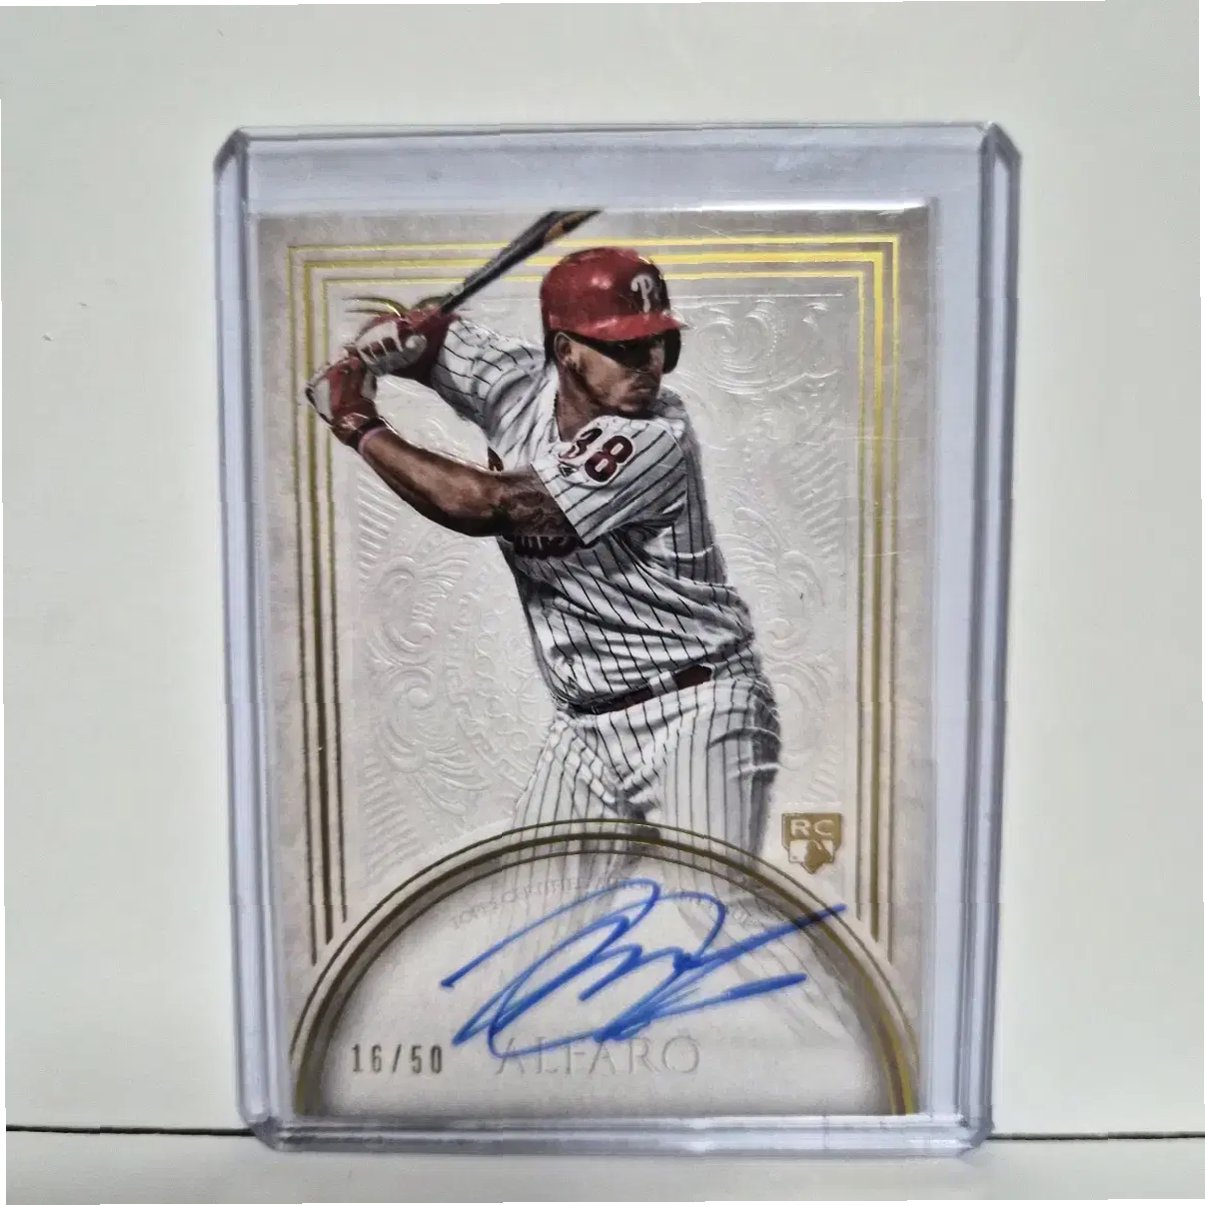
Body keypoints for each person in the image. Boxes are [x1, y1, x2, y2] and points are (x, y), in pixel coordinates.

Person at [305, 247, 780, 854]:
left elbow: (491, 507)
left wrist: (357, 422)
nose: (647, 362)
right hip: (583, 725)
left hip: (700, 710)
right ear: (566, 351)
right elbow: (436, 340)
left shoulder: (654, 437)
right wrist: (396, 337)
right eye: (624, 345)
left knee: (706, 905)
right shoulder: (516, 382)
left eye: (656, 341)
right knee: (526, 909)